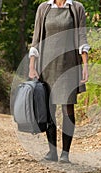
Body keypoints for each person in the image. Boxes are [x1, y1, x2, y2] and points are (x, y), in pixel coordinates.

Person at [28, 0, 90, 163]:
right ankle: (52, 152)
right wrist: (32, 66)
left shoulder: (76, 8)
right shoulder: (44, 8)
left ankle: (65, 154)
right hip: (46, 65)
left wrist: (85, 65)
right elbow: (36, 40)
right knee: (48, 108)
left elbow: (82, 38)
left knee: (67, 109)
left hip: (68, 64)